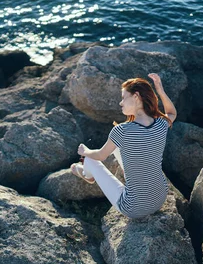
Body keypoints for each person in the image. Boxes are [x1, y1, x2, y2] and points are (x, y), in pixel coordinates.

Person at [70, 73, 176, 219]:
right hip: (159, 199)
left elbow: (100, 155)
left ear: (136, 96)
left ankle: (87, 174)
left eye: (123, 97)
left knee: (89, 159)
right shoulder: (160, 124)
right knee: (121, 149)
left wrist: (85, 151)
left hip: (133, 208)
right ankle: (90, 172)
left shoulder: (122, 130)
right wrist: (160, 90)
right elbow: (171, 113)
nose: (121, 103)